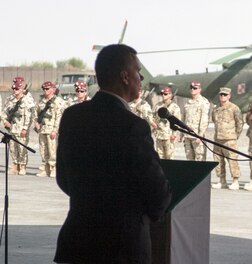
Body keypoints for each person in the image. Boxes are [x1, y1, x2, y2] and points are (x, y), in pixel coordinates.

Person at [54, 44, 172, 264]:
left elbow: (63, 178)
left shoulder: (72, 117)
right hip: (122, 248)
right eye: (138, 72)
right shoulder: (132, 125)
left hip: (78, 242)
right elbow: (156, 191)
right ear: (125, 77)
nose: (142, 78)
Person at [211, 87, 244, 190]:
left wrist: (235, 136)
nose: (222, 97)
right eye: (221, 95)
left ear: (229, 96)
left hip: (229, 140)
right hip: (218, 139)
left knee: (232, 160)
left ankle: (235, 181)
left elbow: (240, 123)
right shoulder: (216, 109)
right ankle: (222, 181)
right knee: (218, 161)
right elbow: (214, 121)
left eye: (225, 95)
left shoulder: (234, 108)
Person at [1, 78, 34, 175]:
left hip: (21, 129)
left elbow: (28, 116)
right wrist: (5, 121)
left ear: (21, 90)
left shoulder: (26, 100)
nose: (15, 91)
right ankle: (15, 165)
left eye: (17, 89)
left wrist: (25, 128)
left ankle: (22, 165)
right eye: (14, 89)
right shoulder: (10, 100)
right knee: (12, 147)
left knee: (21, 148)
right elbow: (4, 113)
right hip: (12, 128)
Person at [34, 81, 64, 177]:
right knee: (43, 150)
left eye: (47, 89)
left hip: (51, 130)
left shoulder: (57, 101)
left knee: (52, 151)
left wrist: (55, 130)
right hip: (42, 129)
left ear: (52, 89)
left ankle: (54, 169)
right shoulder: (41, 101)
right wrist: (36, 123)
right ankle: (45, 169)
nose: (45, 91)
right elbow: (36, 113)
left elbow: (58, 117)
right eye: (44, 89)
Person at [182, 80, 210, 161]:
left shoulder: (203, 102)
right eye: (191, 88)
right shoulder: (188, 103)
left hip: (197, 136)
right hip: (187, 136)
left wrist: (200, 135)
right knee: (189, 161)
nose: (192, 89)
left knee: (200, 161)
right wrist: (182, 134)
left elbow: (204, 120)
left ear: (199, 90)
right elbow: (184, 119)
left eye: (195, 88)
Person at [152, 86, 181, 159]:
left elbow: (177, 122)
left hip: (169, 136)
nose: (163, 95)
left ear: (170, 95)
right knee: (159, 158)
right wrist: (154, 124)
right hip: (159, 135)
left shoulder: (175, 107)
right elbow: (153, 117)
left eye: (165, 94)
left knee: (169, 158)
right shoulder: (158, 105)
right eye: (162, 93)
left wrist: (174, 134)